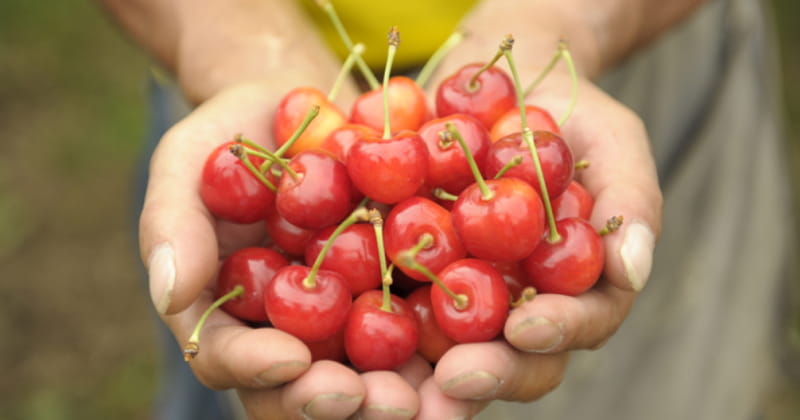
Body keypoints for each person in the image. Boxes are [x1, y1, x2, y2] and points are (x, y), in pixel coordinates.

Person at [99, 0, 796, 419]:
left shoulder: (511, 180)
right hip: (240, 80)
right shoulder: (286, 190)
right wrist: (230, 41)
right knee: (232, 359)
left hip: (614, 54)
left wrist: (566, 18)